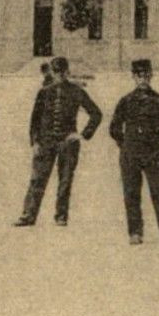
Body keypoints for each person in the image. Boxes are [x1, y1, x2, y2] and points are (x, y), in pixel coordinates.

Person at [15, 56, 102, 227]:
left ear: (67, 72)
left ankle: (61, 215)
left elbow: (96, 114)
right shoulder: (44, 92)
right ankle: (28, 215)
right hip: (45, 141)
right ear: (52, 72)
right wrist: (35, 142)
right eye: (56, 72)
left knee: (65, 180)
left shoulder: (77, 91)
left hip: (67, 143)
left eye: (62, 72)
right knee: (37, 179)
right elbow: (35, 120)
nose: (59, 75)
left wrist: (82, 134)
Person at [110, 59, 159, 247]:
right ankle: (135, 233)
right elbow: (114, 128)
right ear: (133, 77)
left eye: (146, 75)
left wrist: (152, 142)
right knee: (131, 193)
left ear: (151, 76)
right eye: (139, 75)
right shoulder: (125, 101)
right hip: (130, 154)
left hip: (153, 153)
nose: (143, 79)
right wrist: (125, 144)